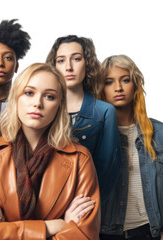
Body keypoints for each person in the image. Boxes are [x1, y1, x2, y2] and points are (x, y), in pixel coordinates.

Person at [0, 63, 100, 239]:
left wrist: (5, 227)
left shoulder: (79, 158)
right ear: (16, 98)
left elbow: (85, 234)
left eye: (49, 97)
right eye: (29, 93)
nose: (37, 103)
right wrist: (53, 226)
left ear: (59, 106)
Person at [99, 55, 163, 240]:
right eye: (109, 82)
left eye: (125, 80)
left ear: (135, 84)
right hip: (106, 235)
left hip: (150, 233)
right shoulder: (96, 136)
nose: (118, 88)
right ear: (101, 88)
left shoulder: (159, 132)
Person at [46, 35, 121, 204]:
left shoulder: (104, 111)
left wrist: (88, 207)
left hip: (84, 207)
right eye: (61, 61)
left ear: (87, 63)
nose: (69, 67)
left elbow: (108, 169)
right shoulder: (42, 107)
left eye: (76, 59)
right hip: (45, 207)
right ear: (53, 66)